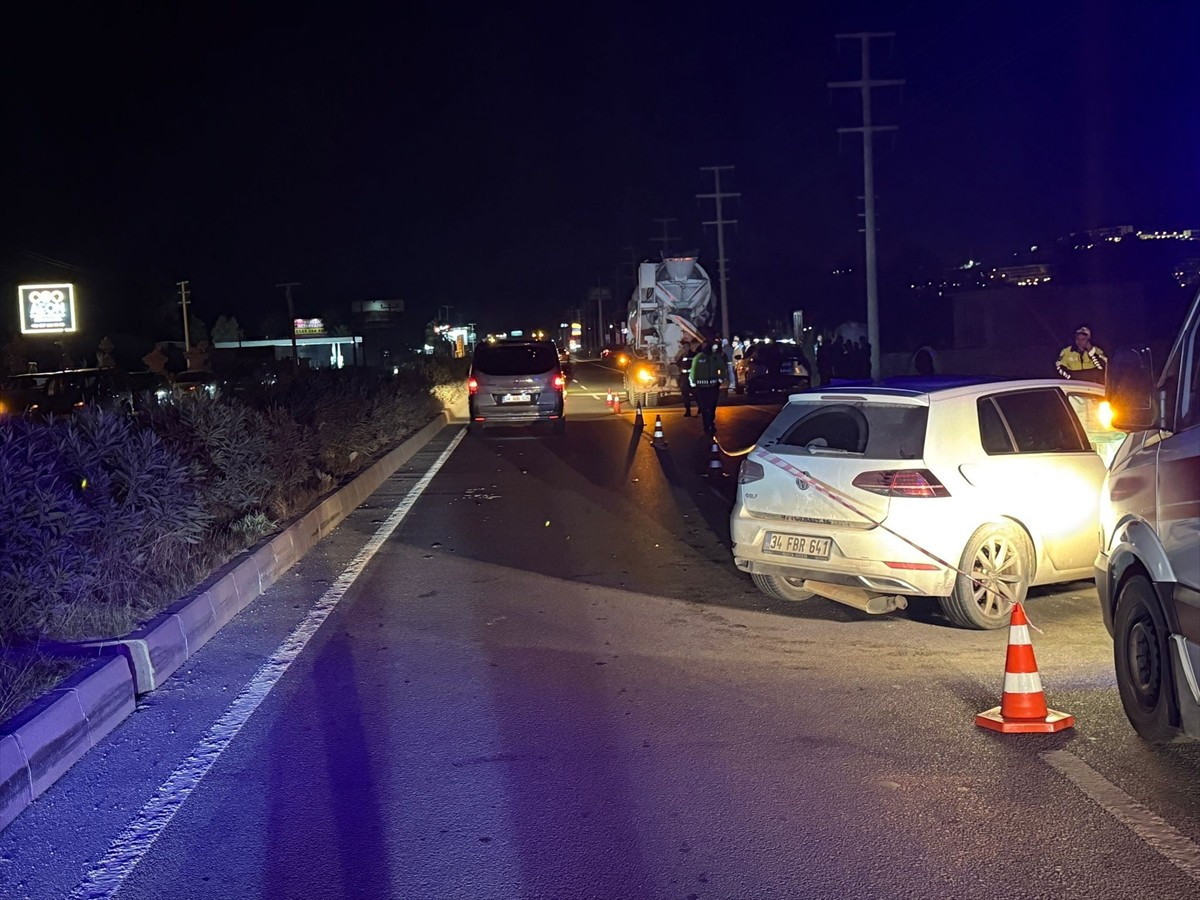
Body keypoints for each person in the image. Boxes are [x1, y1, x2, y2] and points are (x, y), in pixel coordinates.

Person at [689, 335, 729, 436]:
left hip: (713, 387)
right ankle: (707, 426)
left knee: (712, 407)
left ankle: (710, 422)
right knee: (704, 408)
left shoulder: (716, 357)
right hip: (701, 388)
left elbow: (723, 369)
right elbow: (693, 371)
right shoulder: (698, 358)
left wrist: (720, 379)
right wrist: (693, 383)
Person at [674, 338, 697, 416]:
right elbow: (677, 363)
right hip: (684, 377)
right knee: (685, 394)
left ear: (689, 347)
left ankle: (701, 408)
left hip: (692, 376)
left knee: (696, 393)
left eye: (687, 346)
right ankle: (688, 411)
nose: (685, 348)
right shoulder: (682, 355)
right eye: (684, 347)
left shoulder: (694, 355)